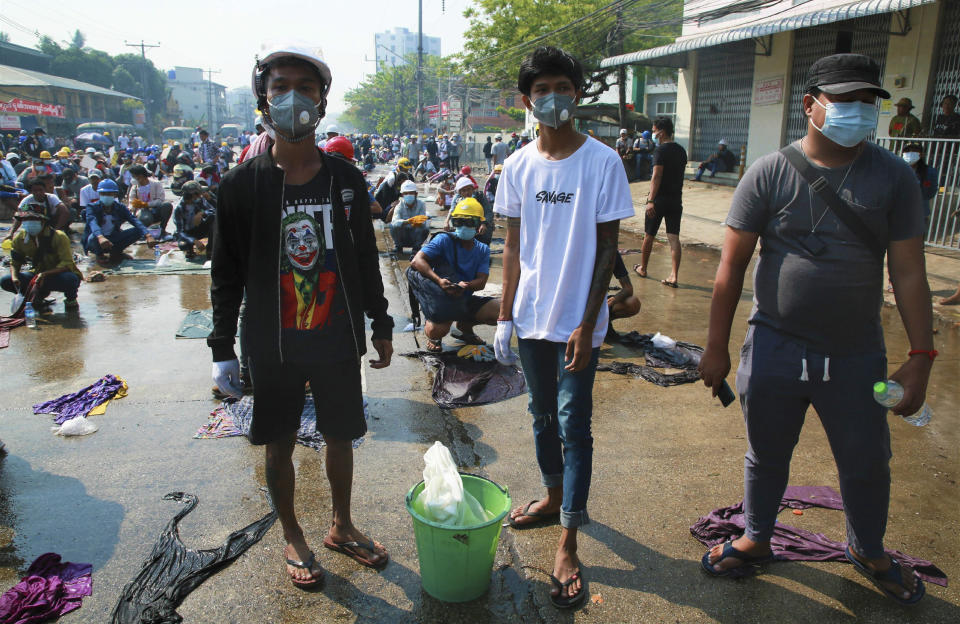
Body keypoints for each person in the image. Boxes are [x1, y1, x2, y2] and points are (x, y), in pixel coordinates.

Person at [698, 54, 933, 606]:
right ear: (811, 105)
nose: (857, 111)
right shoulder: (770, 171)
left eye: (866, 102)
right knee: (766, 453)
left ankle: (867, 548)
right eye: (844, 100)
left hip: (856, 356)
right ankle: (757, 537)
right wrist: (714, 348)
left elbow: (908, 272)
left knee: (867, 457)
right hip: (774, 347)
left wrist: (921, 355)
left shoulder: (893, 177)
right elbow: (731, 268)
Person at [208, 44, 393, 589]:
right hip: (273, 342)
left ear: (322, 99)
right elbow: (225, 273)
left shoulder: (346, 180)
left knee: (341, 435)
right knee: (279, 438)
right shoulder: (243, 185)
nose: (293, 98)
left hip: (337, 335)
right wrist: (222, 347)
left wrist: (380, 322)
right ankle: (293, 533)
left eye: (305, 88)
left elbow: (363, 257)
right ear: (263, 100)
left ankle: (342, 524)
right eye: (281, 86)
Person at [493, 45, 634, 610]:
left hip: (579, 323)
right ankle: (553, 496)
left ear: (577, 93)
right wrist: (503, 315)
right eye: (542, 90)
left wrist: (586, 319)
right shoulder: (519, 165)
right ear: (528, 102)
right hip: (530, 319)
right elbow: (511, 244)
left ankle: (569, 539)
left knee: (575, 424)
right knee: (541, 416)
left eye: (563, 86)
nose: (554, 98)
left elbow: (606, 248)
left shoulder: (602, 162)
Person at [408, 197, 499, 351]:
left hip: (464, 297)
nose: (463, 227)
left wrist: (467, 286)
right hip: (442, 298)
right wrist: (439, 281)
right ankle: (432, 324)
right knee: (437, 331)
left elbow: (482, 281)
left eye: (469, 222)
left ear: (478, 225)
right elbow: (417, 261)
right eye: (458, 222)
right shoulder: (444, 240)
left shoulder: (483, 249)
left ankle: (464, 327)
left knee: (502, 312)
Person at [635, 116, 687, 287]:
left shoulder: (660, 151)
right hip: (675, 200)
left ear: (662, 132)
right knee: (674, 238)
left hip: (659, 200)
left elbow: (656, 177)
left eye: (655, 130)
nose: (654, 134)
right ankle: (674, 276)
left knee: (649, 235)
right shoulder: (681, 151)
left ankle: (643, 268)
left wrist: (650, 200)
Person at [1, 203, 82, 311]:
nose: (29, 222)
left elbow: (67, 264)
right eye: (26, 219)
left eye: (33, 219)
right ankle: (36, 297)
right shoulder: (20, 238)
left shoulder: (59, 237)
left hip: (57, 274)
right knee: (6, 280)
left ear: (43, 221)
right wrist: (15, 277)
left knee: (71, 279)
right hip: (37, 273)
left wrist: (44, 274)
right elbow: (15, 262)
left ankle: (71, 299)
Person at [83, 178, 155, 264]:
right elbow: (92, 222)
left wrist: (148, 235)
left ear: (115, 194)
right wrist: (100, 236)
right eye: (103, 193)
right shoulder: (92, 207)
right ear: (99, 194)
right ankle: (99, 254)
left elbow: (134, 220)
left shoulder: (120, 207)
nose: (106, 196)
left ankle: (116, 252)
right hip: (97, 238)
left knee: (138, 231)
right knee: (92, 238)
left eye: (109, 193)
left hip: (113, 236)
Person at [445, 176, 493, 245]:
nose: (467, 192)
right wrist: (446, 222)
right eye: (464, 190)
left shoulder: (480, 196)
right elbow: (452, 210)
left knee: (483, 242)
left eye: (469, 189)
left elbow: (488, 212)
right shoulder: (457, 199)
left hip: (480, 224)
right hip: (466, 225)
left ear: (472, 189)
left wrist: (484, 224)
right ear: (460, 192)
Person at [173, 180, 215, 258]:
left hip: (199, 228)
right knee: (184, 245)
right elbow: (180, 231)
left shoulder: (200, 200)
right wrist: (195, 241)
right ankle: (189, 249)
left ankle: (210, 249)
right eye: (198, 194)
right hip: (187, 233)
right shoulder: (178, 209)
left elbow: (213, 210)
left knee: (213, 218)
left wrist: (202, 213)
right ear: (192, 195)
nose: (200, 196)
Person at [128, 165, 173, 237]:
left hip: (156, 209)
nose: (133, 178)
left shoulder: (156, 184)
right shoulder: (135, 187)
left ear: (141, 175)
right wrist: (131, 207)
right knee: (146, 218)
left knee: (167, 205)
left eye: (134, 176)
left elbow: (160, 200)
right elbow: (131, 201)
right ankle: (145, 233)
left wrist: (146, 204)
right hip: (144, 212)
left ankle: (162, 230)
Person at [387, 179, 429, 255]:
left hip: (415, 235)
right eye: (406, 193)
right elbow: (395, 222)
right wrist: (408, 221)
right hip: (402, 235)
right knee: (392, 226)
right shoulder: (399, 206)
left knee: (426, 227)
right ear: (402, 195)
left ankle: (416, 247)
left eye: (411, 193)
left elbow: (423, 220)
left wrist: (419, 222)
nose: (408, 195)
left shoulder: (421, 204)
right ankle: (398, 247)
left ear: (416, 194)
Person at [605, 252, 641, 339]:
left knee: (633, 303)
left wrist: (612, 301)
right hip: (578, 301)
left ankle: (605, 321)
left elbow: (628, 288)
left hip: (599, 301)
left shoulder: (612, 253)